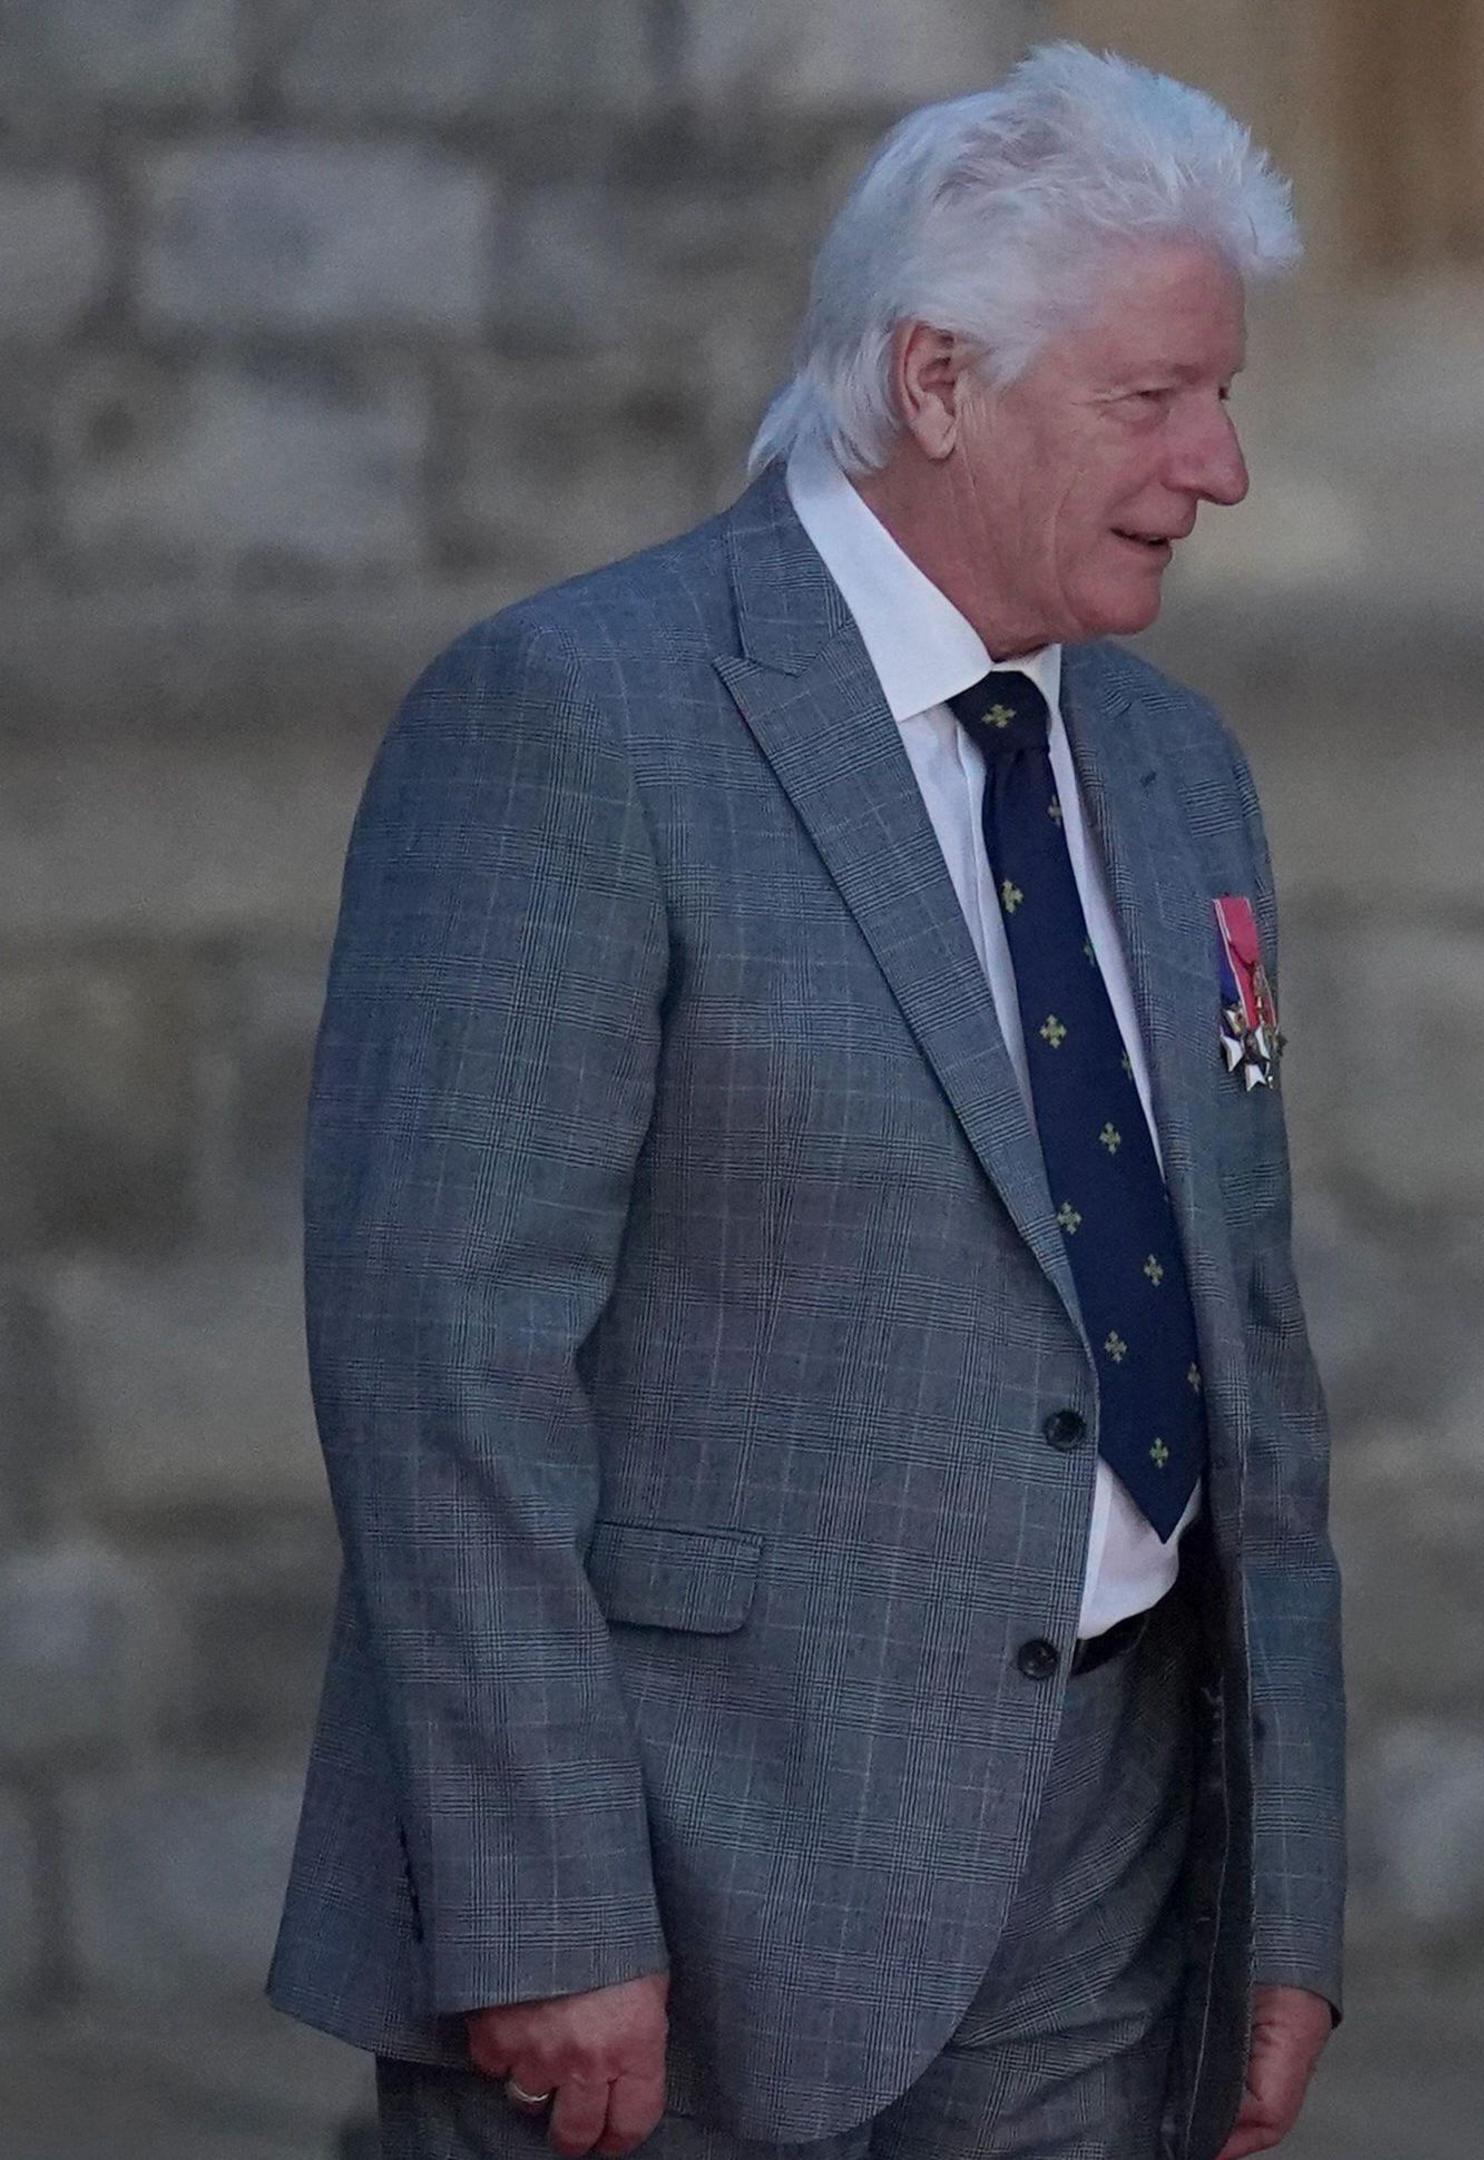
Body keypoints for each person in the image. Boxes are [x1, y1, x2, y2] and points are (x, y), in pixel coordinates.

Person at [268, 47, 1341, 2160]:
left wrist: (1280, 1897)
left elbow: (1253, 1359)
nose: (1217, 463)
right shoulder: (576, 718)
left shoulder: (1177, 761)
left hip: (1104, 1869)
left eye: (1224, 396)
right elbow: (442, 1362)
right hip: (683, 1889)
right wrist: (542, 1904)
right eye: (1153, 399)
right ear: (936, 378)